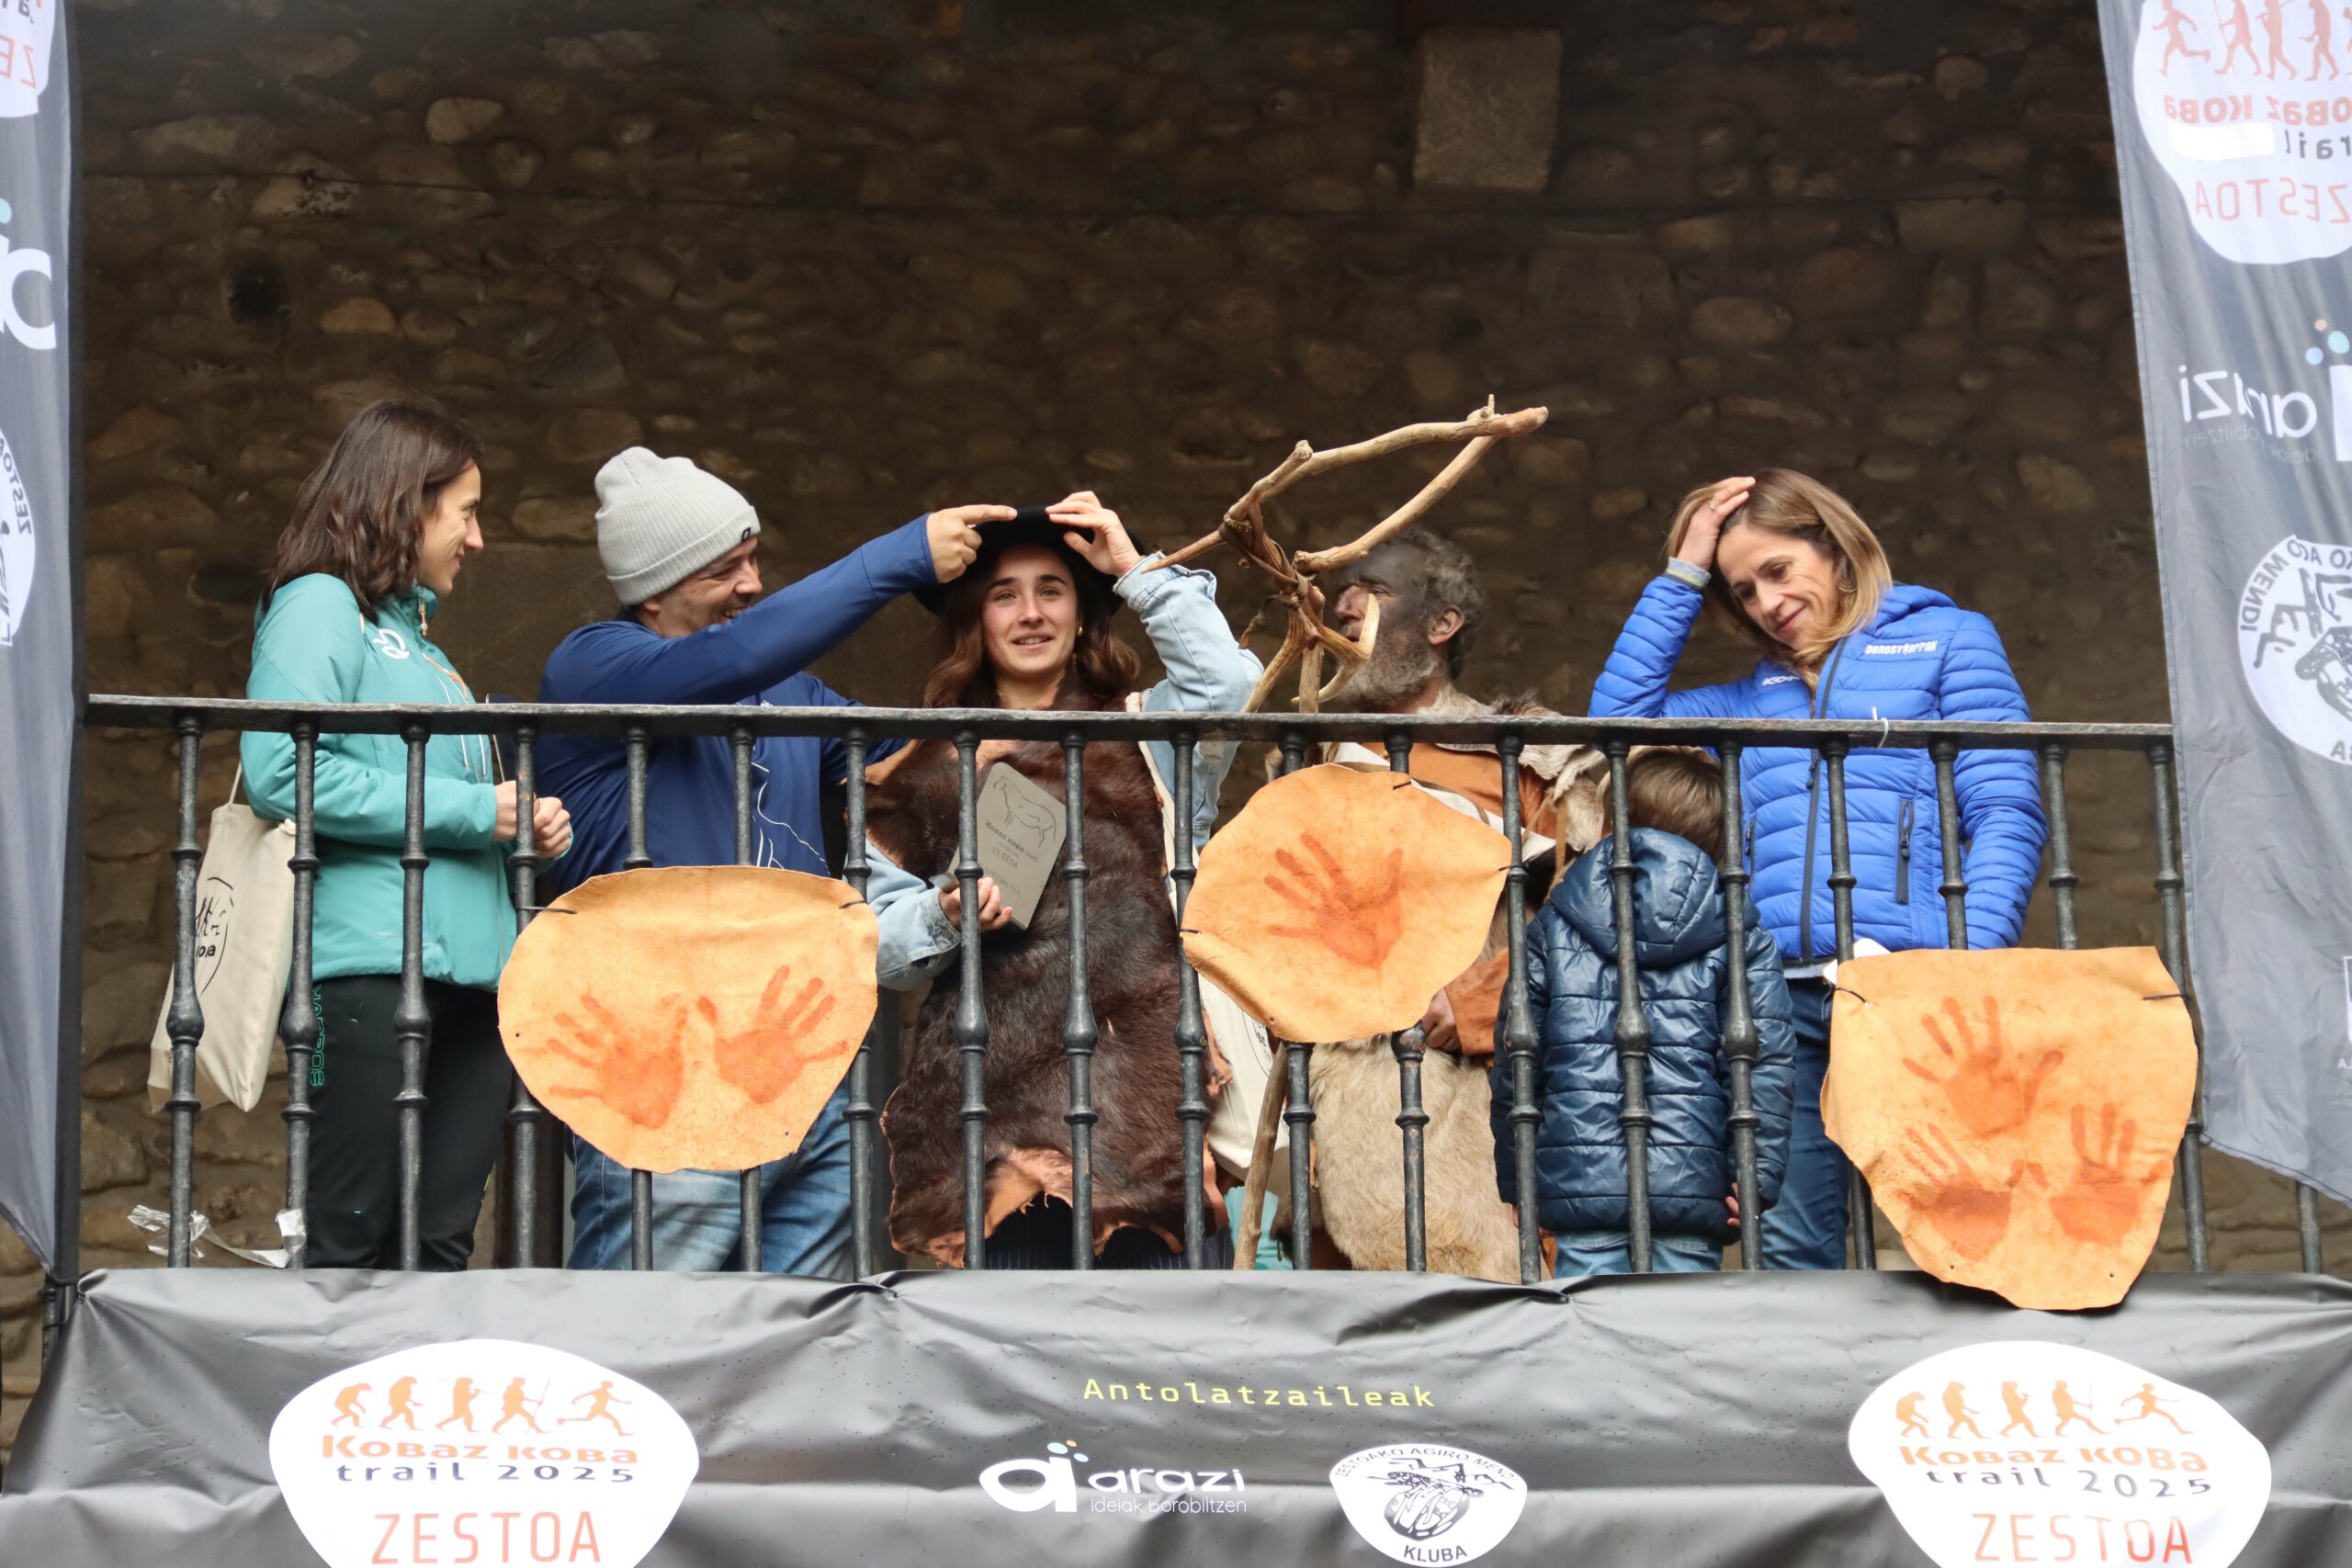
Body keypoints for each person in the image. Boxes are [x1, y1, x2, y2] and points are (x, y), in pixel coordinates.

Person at [536, 446, 1013, 1275]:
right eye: (724, 569)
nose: (752, 584)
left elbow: (918, 770)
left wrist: (1049, 666)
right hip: (663, 1069)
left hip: (805, 1073)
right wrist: (897, 558)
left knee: (798, 1341)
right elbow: (734, 658)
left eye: (754, 558)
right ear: (654, 592)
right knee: (646, 1333)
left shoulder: (790, 692)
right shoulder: (592, 664)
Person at [1589, 468, 2046, 1270]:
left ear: (1834, 548)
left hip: (1912, 988)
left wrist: (1966, 960)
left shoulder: (1949, 640)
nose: (1766, 603)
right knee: (1793, 1253)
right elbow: (1616, 725)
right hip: (1781, 999)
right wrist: (1684, 571)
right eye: (1743, 590)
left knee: (1969, 1240)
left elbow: (2005, 809)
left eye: (1778, 570)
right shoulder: (1749, 698)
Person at [865, 493, 1263, 1269]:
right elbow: (876, 944)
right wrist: (945, 915)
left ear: (1082, 614)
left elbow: (1224, 685)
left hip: (1151, 1117)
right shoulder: (921, 769)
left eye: (1052, 590)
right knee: (1014, 1340)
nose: (1030, 613)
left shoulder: (1150, 731)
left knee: (1170, 1343)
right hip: (992, 1129)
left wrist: (1134, 568)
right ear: (975, 621)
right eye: (1004, 595)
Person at [243, 400, 571, 1270]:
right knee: (347, 1242)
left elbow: (441, 804)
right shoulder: (319, 604)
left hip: (475, 985)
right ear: (406, 504)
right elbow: (280, 768)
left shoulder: (423, 647)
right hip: (371, 971)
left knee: (438, 1249)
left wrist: (521, 828)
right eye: (467, 511)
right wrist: (474, 811)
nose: (478, 538)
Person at [1273, 526, 1606, 1280]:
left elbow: (1587, 921)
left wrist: (1485, 1002)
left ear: (1442, 623)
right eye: (1344, 590)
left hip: (1479, 1090)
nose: (1346, 605)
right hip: (1338, 1097)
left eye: (1374, 590)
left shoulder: (1525, 760)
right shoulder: (1316, 758)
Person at [1493, 749, 1794, 1277]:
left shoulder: (1554, 927)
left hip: (1582, 1181)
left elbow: (1519, 1060)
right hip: (1693, 1184)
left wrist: (1520, 1179)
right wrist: (1754, 1175)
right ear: (1719, 843)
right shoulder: (1741, 939)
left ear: (1611, 828)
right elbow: (1763, 1064)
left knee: (1590, 1322)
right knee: (1680, 1325)